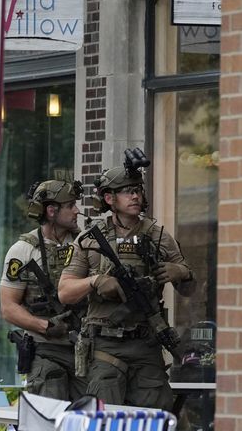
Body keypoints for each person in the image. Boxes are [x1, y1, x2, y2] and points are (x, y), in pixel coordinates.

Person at [58, 150, 195, 411]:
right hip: (106, 347)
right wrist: (95, 281)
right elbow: (64, 291)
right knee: (104, 424)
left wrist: (181, 273)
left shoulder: (159, 236)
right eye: (126, 191)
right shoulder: (89, 239)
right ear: (109, 198)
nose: (134, 196)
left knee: (155, 421)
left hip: (147, 344)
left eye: (138, 190)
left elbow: (190, 288)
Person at [0, 180, 88, 401]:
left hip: (86, 349)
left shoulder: (85, 244)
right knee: (51, 418)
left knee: (89, 421)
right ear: (51, 211)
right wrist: (46, 326)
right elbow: (9, 307)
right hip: (46, 350)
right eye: (70, 205)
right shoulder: (23, 250)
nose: (77, 210)